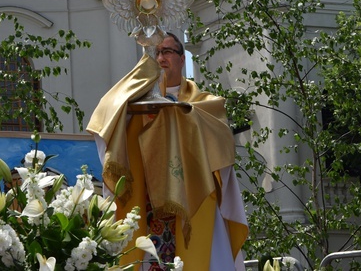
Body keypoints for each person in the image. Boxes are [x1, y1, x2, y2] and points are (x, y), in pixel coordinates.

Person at [87, 33, 248, 270]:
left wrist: (179, 114)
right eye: (156, 53)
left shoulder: (204, 103)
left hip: (190, 199)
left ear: (183, 59)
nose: (161, 58)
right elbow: (107, 112)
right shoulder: (134, 101)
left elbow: (220, 142)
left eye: (167, 52)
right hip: (145, 200)